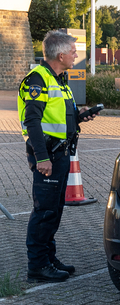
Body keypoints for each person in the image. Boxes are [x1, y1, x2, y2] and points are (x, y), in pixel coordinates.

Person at [18, 30, 99, 283]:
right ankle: (38, 266)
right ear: (61, 54)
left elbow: (60, 117)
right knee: (44, 212)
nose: (76, 54)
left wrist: (81, 115)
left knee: (54, 210)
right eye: (73, 51)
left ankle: (48, 258)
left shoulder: (59, 79)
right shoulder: (38, 80)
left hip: (60, 154)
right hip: (48, 157)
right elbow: (32, 121)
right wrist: (42, 159)